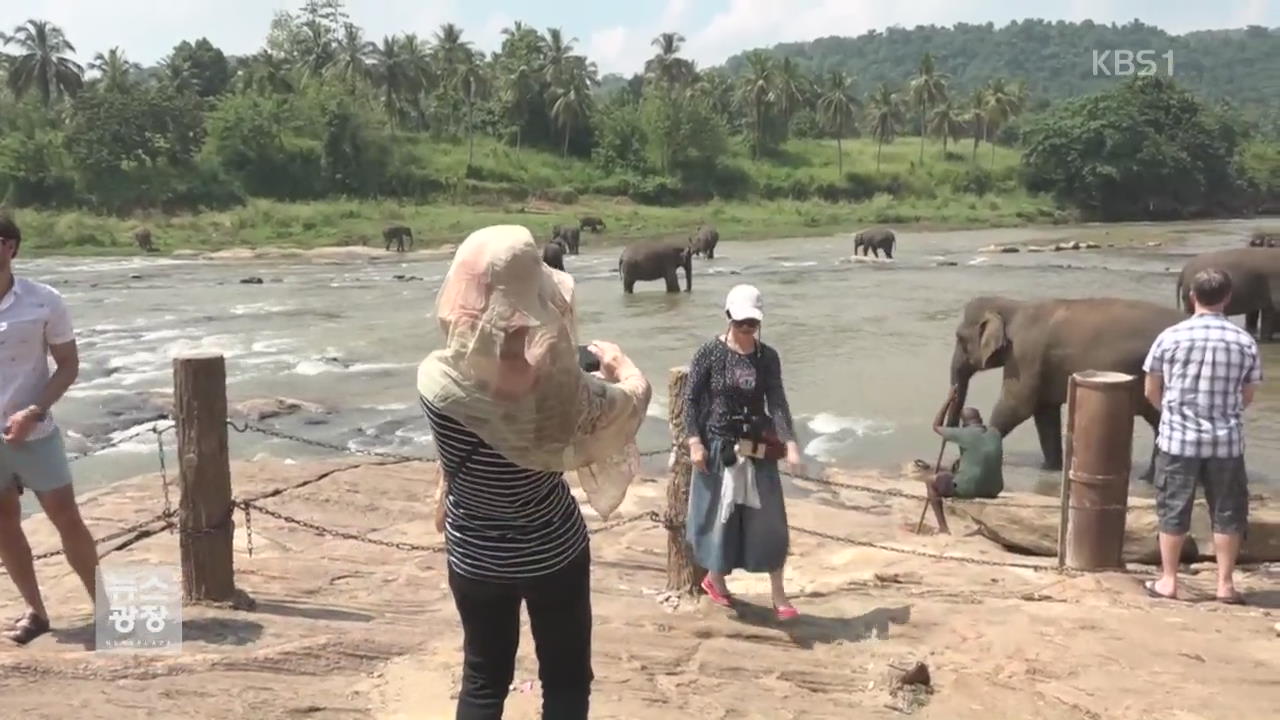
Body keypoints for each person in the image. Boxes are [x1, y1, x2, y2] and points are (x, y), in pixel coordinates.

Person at [417, 225, 651, 719]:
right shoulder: (560, 390)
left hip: (475, 552)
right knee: (565, 683)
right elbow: (629, 405)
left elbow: (483, 404)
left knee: (482, 679)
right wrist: (621, 366)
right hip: (552, 552)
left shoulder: (438, 382)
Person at [0, 214, 97, 646]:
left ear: (11, 247)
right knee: (3, 525)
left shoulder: (44, 300)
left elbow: (69, 365)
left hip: (35, 432)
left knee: (67, 519)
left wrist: (35, 410)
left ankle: (109, 609)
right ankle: (36, 612)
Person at [683, 284, 805, 621]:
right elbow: (690, 400)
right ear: (728, 318)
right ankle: (715, 580)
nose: (747, 329)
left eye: (753, 323)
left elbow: (777, 402)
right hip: (719, 446)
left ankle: (779, 594)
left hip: (758, 447)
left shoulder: (768, 358)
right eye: (741, 323)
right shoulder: (709, 353)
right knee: (720, 520)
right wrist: (694, 441)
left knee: (769, 522)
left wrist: (791, 443)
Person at [1142, 267, 1260, 605]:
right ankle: (1224, 585)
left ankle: (1168, 581)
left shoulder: (1170, 337)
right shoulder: (1244, 341)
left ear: (1192, 297)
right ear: (1227, 298)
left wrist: (1173, 414)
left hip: (1178, 439)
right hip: (1226, 441)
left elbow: (1151, 390)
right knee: (1228, 512)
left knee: (1172, 508)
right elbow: (1248, 396)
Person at [928, 387, 1004, 499]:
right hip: (994, 490)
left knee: (932, 481)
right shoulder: (995, 433)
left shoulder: (963, 433)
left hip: (968, 489)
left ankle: (940, 517)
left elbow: (936, 426)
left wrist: (948, 400)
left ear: (963, 423)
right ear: (980, 419)